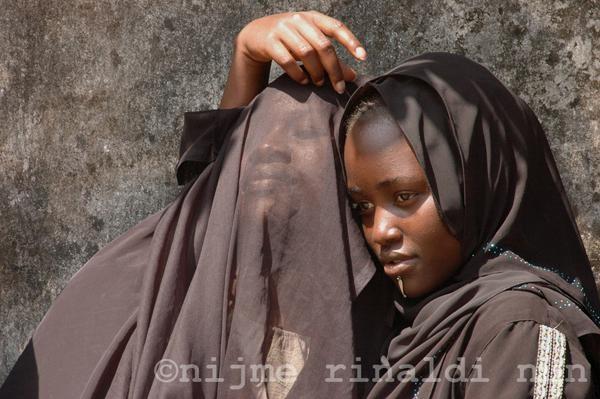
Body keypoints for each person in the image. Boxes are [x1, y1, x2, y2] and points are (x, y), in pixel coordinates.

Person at [0, 12, 392, 398]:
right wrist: (247, 55)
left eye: (303, 134)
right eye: (259, 132)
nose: (272, 151)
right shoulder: (152, 281)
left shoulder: (366, 319)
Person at [340, 52, 600, 398]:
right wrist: (249, 67)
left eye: (404, 197)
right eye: (363, 208)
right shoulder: (406, 327)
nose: (379, 231)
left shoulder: (516, 329)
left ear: (478, 186)